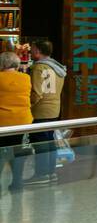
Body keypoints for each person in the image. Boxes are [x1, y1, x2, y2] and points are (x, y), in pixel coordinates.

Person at [27, 39, 66, 184]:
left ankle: (41, 174)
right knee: (50, 142)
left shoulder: (39, 68)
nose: (30, 51)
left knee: (40, 143)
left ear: (37, 51)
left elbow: (36, 93)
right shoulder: (57, 67)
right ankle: (50, 173)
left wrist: (27, 106)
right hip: (54, 110)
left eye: (32, 49)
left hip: (41, 111)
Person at [0, 51, 32, 192]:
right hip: (22, 121)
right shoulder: (26, 78)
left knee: (1, 152)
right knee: (18, 151)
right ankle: (17, 182)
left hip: (2, 122)